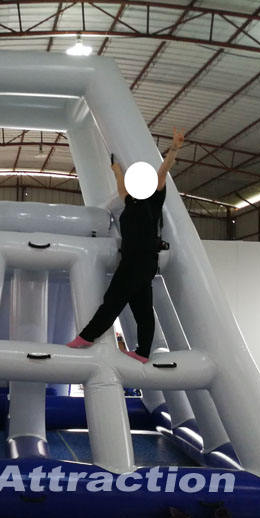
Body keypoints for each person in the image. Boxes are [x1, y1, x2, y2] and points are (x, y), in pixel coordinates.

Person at [66, 128, 184, 362]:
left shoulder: (154, 199)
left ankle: (87, 336)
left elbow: (163, 171)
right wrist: (116, 170)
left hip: (140, 261)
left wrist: (173, 149)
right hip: (137, 261)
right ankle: (143, 353)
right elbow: (122, 188)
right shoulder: (131, 201)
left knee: (114, 299)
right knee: (142, 308)